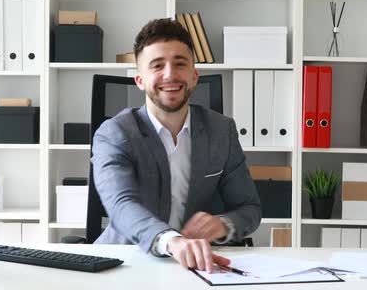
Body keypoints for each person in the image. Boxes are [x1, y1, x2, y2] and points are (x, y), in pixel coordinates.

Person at [91, 18, 261, 273]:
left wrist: (223, 224)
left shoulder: (221, 130)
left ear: (194, 76)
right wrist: (172, 241)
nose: (170, 74)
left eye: (180, 64)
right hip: (125, 263)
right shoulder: (114, 133)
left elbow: (249, 209)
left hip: (196, 266)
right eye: (157, 65)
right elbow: (121, 205)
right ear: (139, 80)